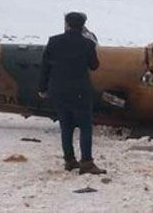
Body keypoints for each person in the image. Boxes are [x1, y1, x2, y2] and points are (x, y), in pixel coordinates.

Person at [37, 12, 106, 175]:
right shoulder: (87, 44)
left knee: (65, 126)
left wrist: (42, 88)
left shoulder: (53, 41)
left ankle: (69, 160)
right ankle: (87, 163)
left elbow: (45, 66)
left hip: (59, 90)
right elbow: (94, 66)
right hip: (80, 91)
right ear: (82, 26)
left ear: (67, 23)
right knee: (85, 127)